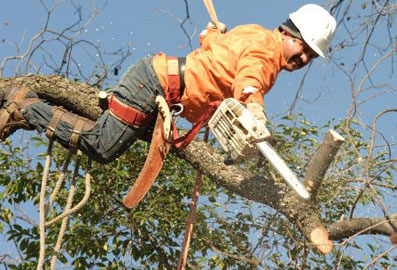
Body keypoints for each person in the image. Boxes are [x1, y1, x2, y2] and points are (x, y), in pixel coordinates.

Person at [0, 4, 337, 164]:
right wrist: (255, 112)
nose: (304, 58)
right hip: (155, 86)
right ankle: (25, 107)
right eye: (303, 47)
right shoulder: (265, 57)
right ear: (287, 31)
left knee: (104, 138)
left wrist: (213, 35)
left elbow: (211, 46)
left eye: (310, 54)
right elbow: (250, 82)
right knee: (103, 147)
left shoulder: (253, 33)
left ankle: (34, 110)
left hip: (159, 83)